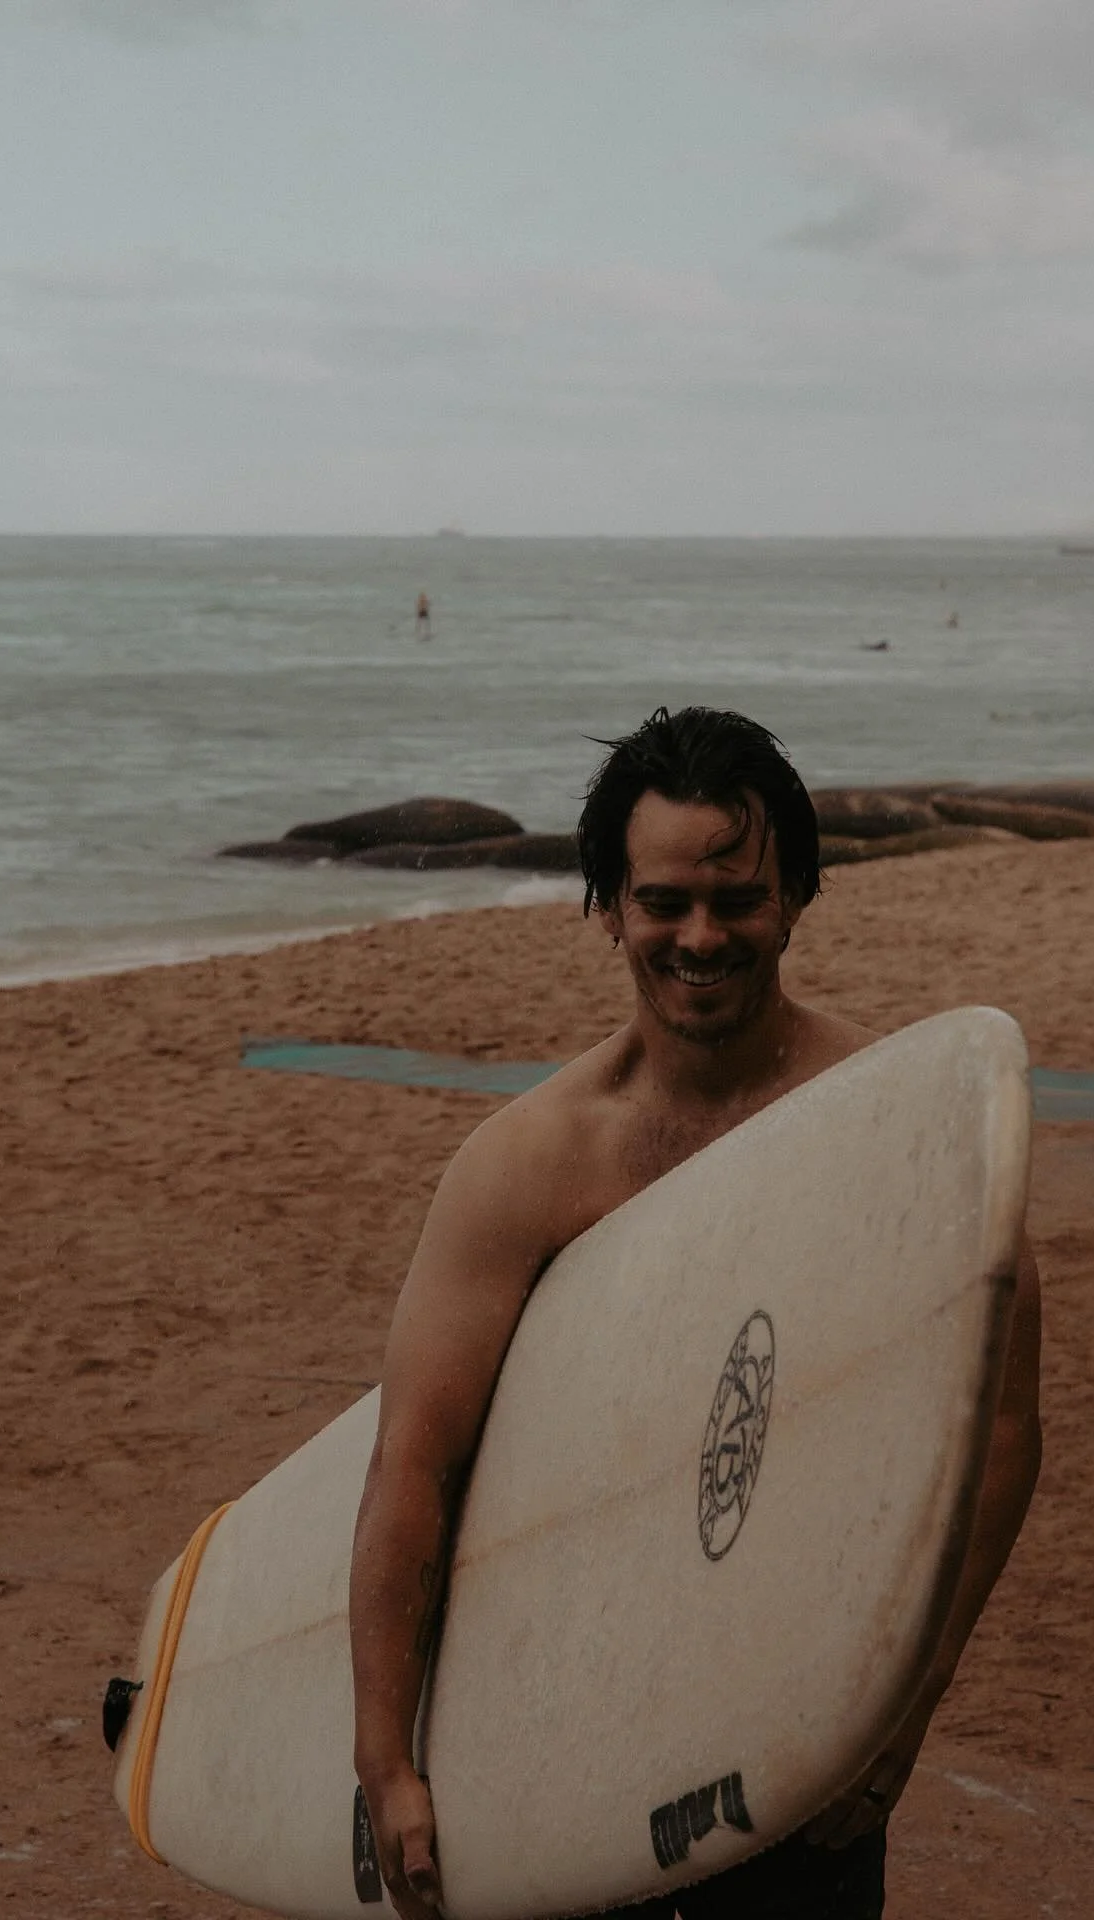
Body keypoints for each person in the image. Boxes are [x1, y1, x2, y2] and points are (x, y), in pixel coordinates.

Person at [349, 705, 1042, 1920]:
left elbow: (1000, 1431)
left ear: (797, 900)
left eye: (738, 899)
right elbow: (415, 1462)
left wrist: (902, 1710)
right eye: (664, 902)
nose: (701, 937)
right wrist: (386, 1756)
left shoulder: (893, 1136)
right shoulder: (531, 1168)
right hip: (560, 1728)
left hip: (795, 1735)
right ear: (609, 909)